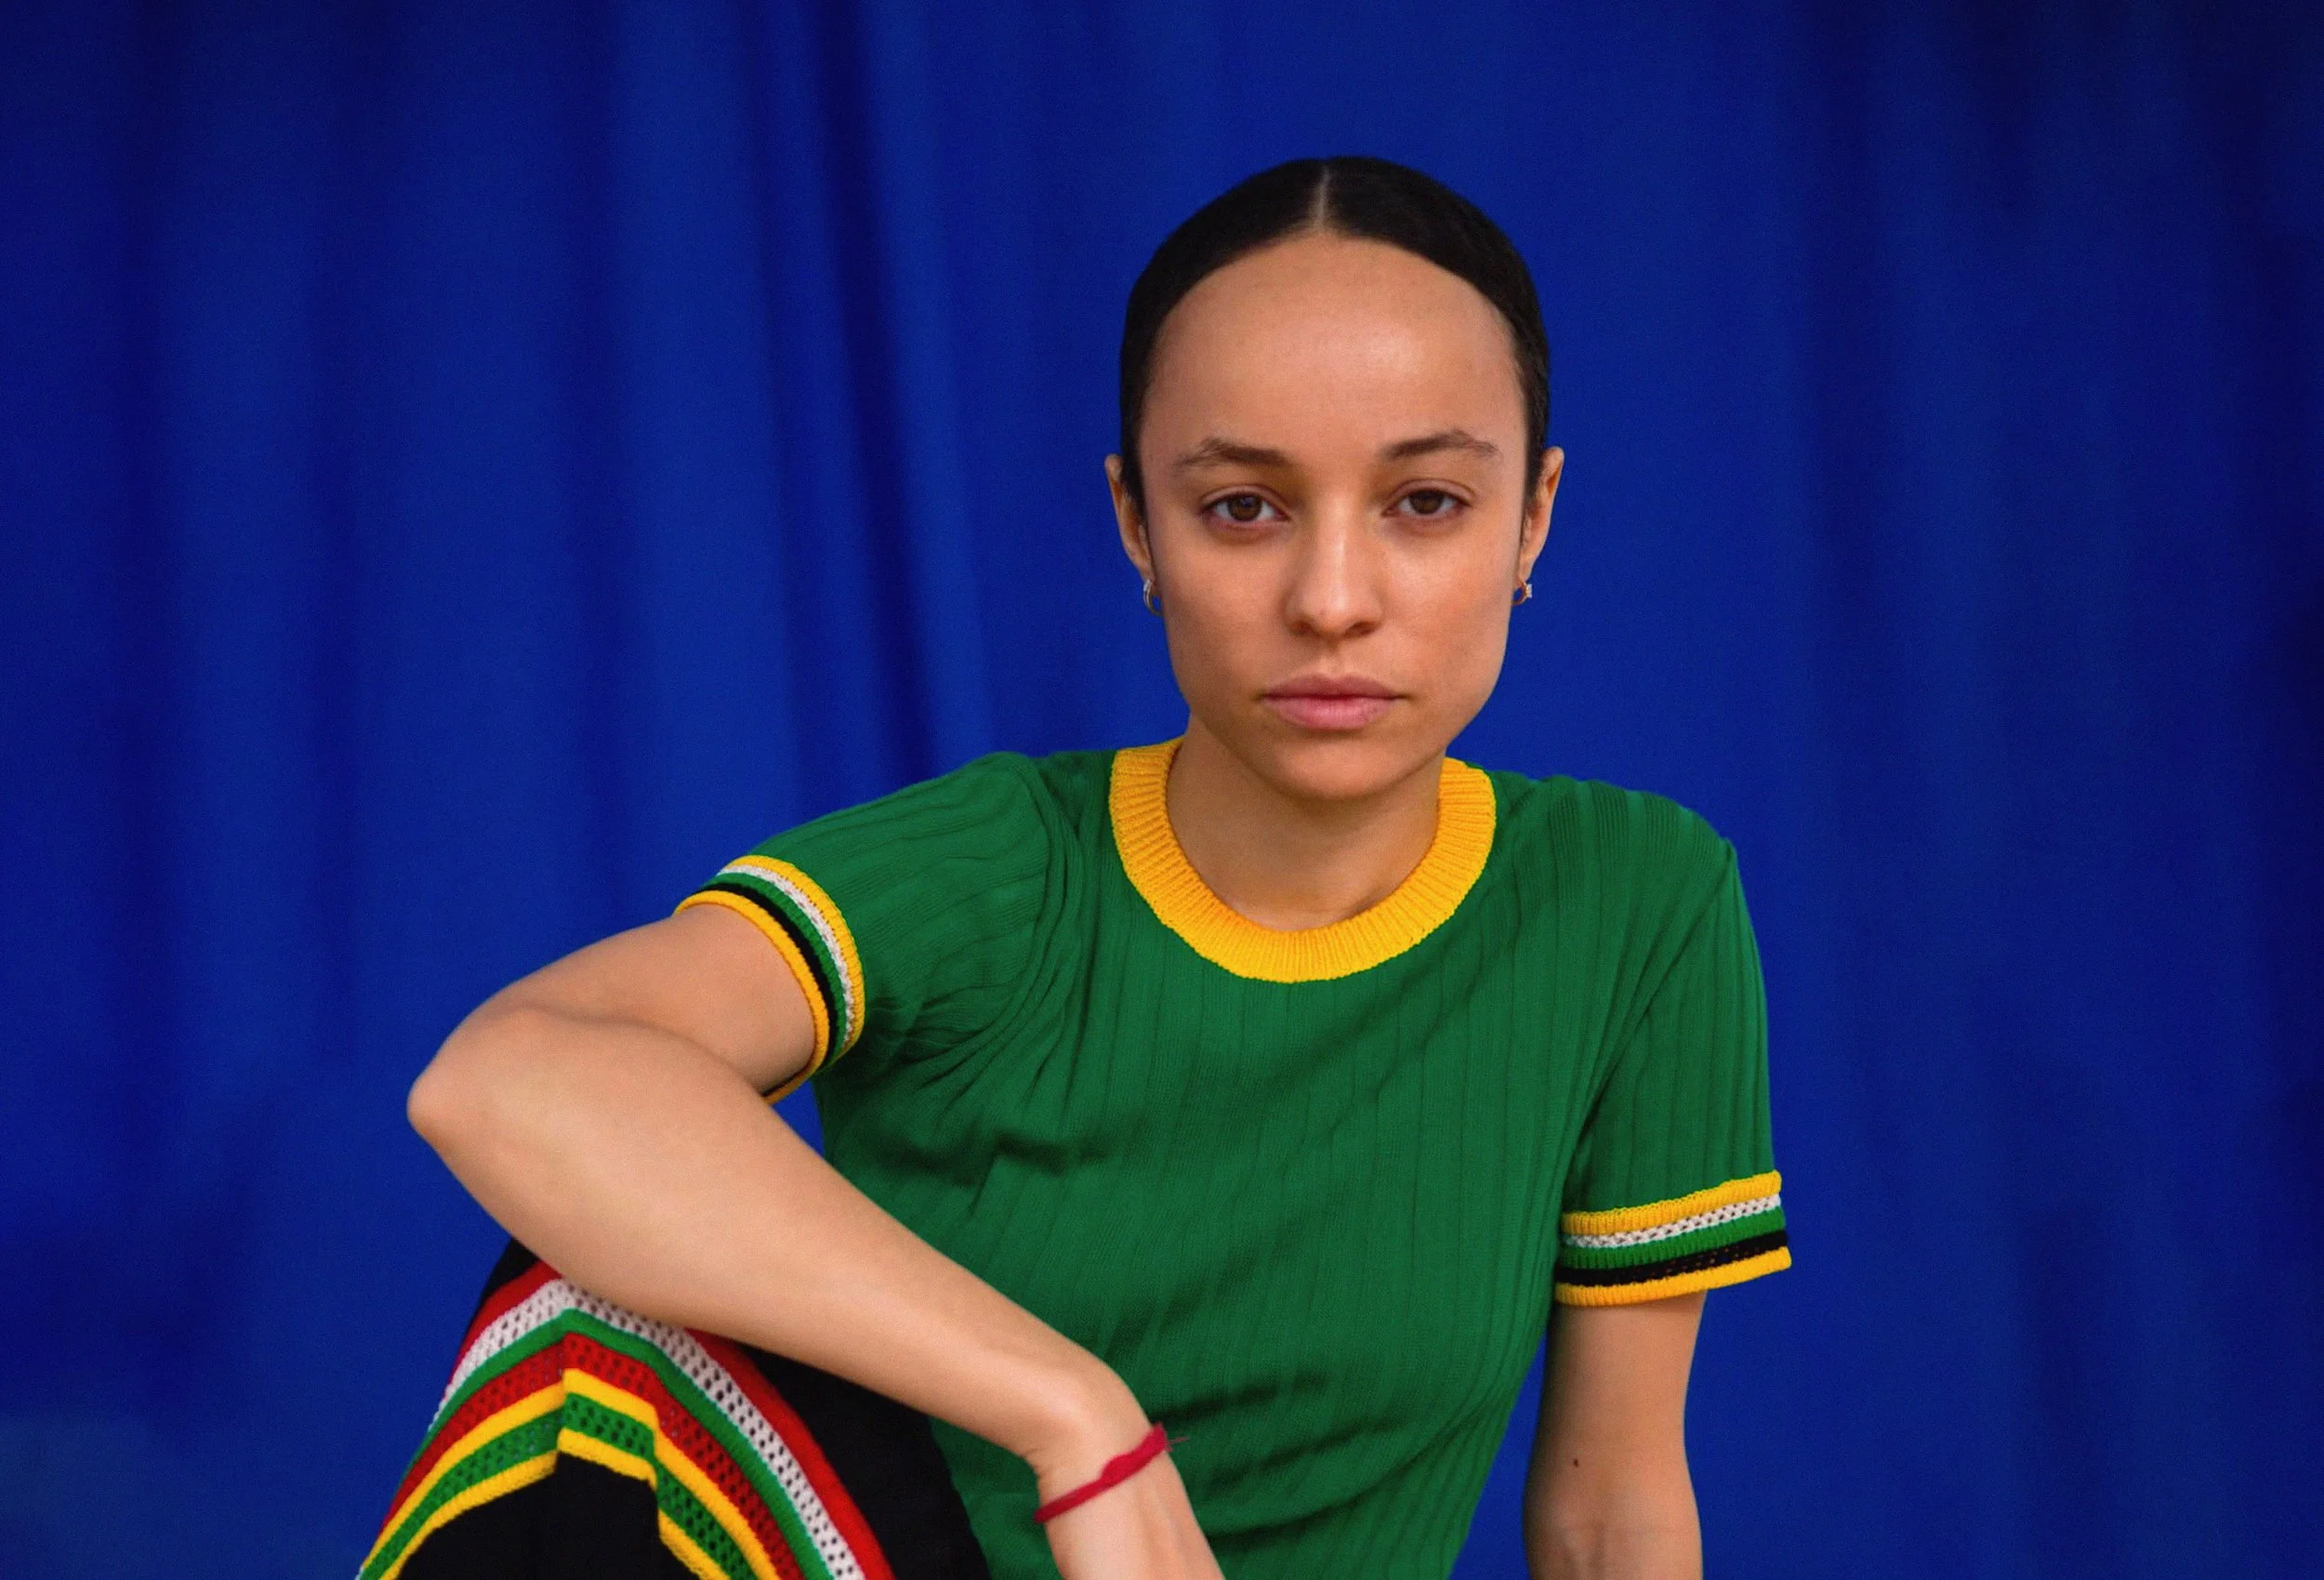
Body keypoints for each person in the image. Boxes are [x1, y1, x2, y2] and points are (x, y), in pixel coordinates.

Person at [380, 155, 1788, 1580]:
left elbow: (1611, 1509)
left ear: (1533, 516)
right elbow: (503, 1079)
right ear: (1137, 525)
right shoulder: (1006, 869)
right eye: (1243, 508)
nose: (1332, 601)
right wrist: (1075, 1419)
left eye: (1424, 503)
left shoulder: (1635, 900)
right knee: (589, 1313)